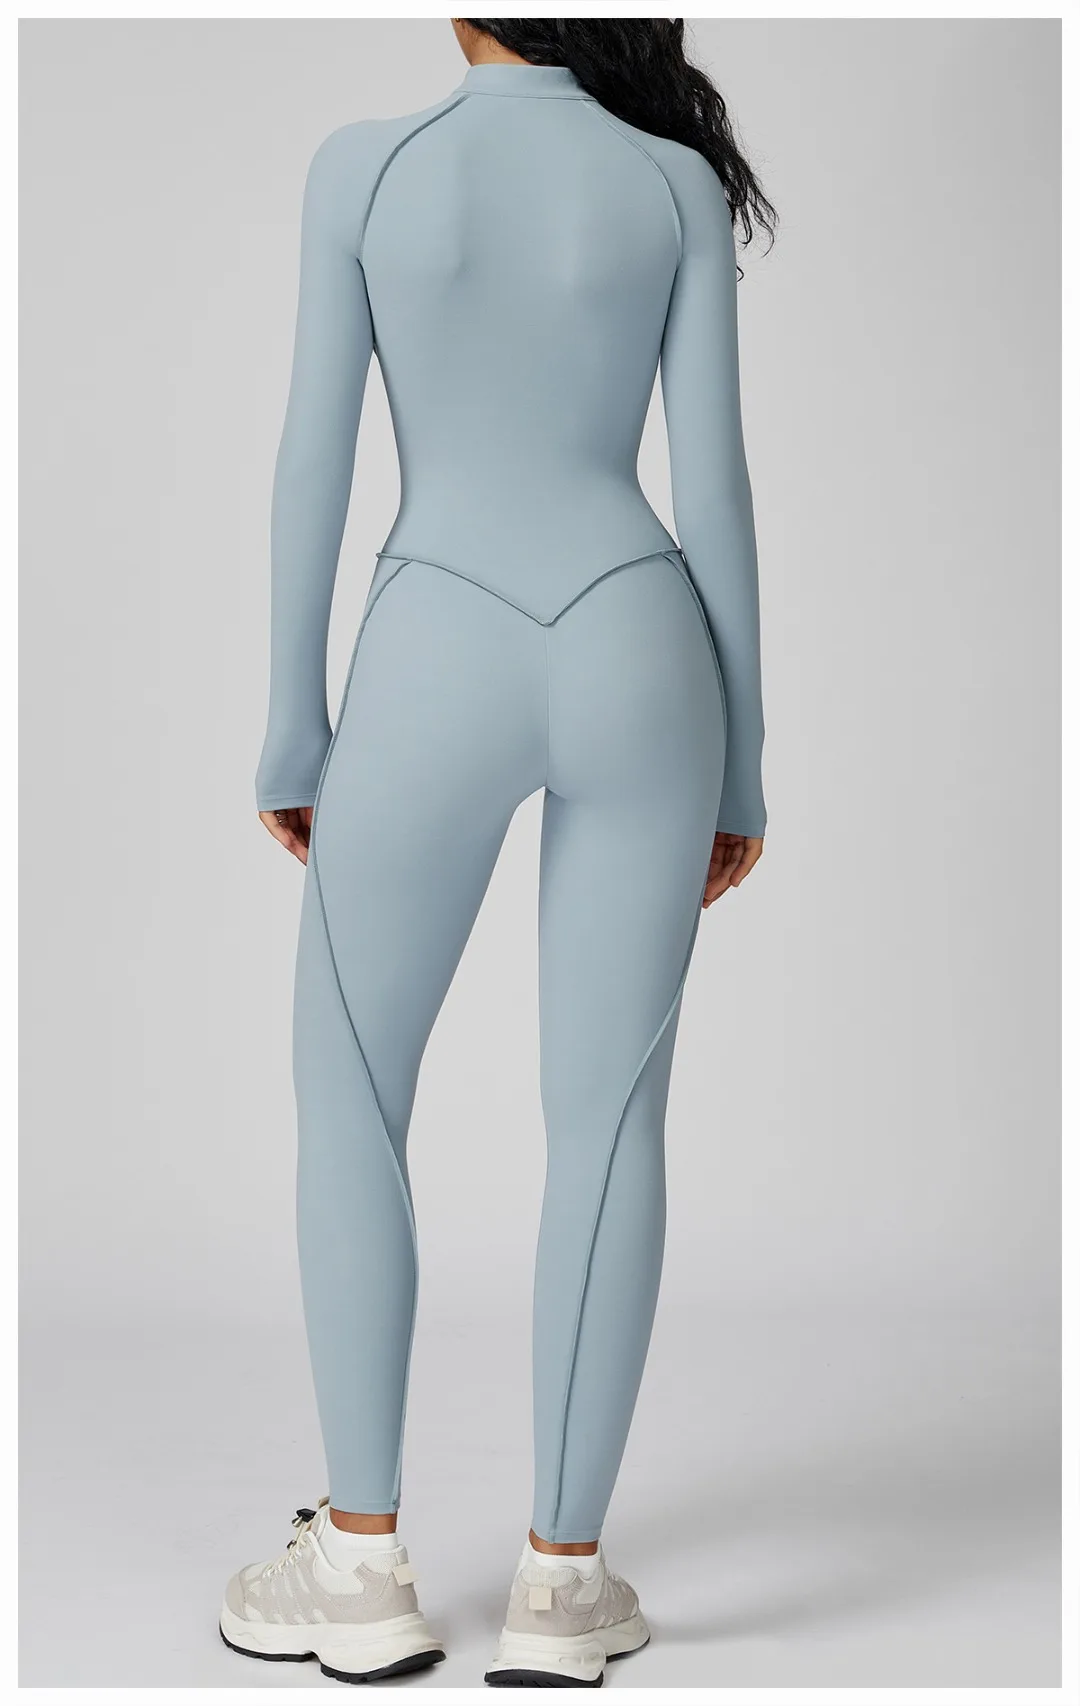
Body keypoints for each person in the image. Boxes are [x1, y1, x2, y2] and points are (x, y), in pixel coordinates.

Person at [221, 16, 774, 1688]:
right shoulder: (671, 183)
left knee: (351, 1086)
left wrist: (293, 721)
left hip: (436, 644)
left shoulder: (365, 169)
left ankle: (361, 1565)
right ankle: (562, 1584)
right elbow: (718, 488)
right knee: (610, 1118)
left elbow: (313, 458)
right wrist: (746, 761)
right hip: (640, 644)